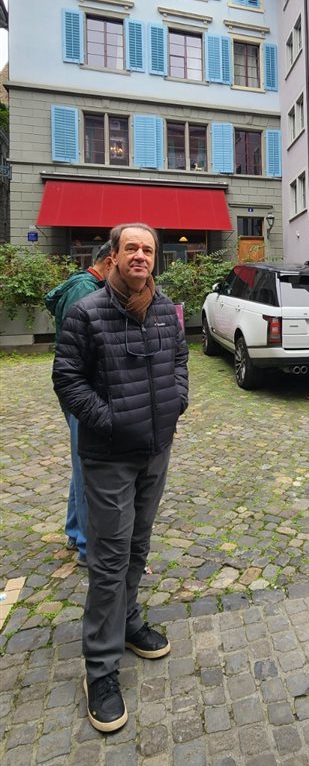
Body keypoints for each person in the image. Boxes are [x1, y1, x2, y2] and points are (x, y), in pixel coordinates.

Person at [52, 223, 189, 734]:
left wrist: (176, 406)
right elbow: (66, 378)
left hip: (156, 450)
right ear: (112, 256)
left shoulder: (165, 310)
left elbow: (180, 361)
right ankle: (100, 670)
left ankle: (129, 623)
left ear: (155, 259)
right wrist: (109, 421)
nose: (139, 256)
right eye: (130, 248)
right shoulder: (88, 312)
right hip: (109, 456)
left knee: (137, 546)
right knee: (108, 561)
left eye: (147, 249)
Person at [46, 241, 113, 565]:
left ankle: (75, 531)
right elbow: (86, 350)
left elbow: (50, 299)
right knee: (88, 464)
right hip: (81, 389)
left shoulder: (77, 283)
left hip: (76, 387)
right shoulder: (85, 291)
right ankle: (88, 546)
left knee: (81, 460)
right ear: (110, 262)